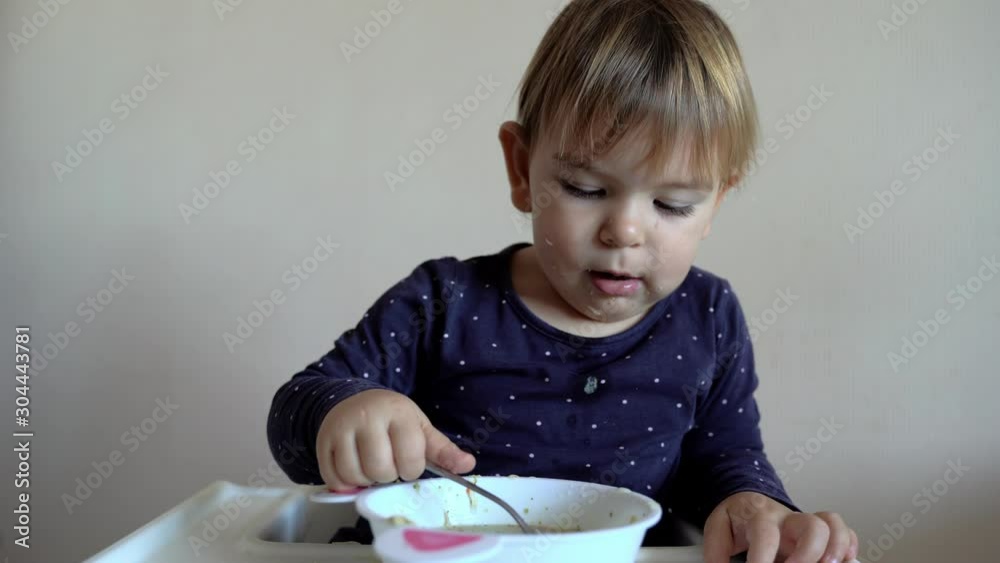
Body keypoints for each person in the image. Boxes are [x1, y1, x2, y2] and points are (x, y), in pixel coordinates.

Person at [268, 1, 859, 561]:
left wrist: (755, 505)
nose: (624, 231)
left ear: (716, 205)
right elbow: (294, 416)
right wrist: (347, 410)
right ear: (522, 170)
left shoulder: (708, 315)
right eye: (586, 189)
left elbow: (725, 459)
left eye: (673, 204)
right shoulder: (443, 303)